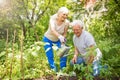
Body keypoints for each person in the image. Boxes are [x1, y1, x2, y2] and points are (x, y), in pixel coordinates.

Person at [43, 7, 70, 72]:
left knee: (64, 52)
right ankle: (53, 70)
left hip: (58, 40)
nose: (65, 16)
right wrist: (59, 36)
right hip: (48, 39)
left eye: (66, 15)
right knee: (50, 55)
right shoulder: (52, 18)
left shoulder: (66, 23)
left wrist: (63, 39)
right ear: (59, 13)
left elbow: (65, 33)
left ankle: (63, 69)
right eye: (64, 14)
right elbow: (52, 30)